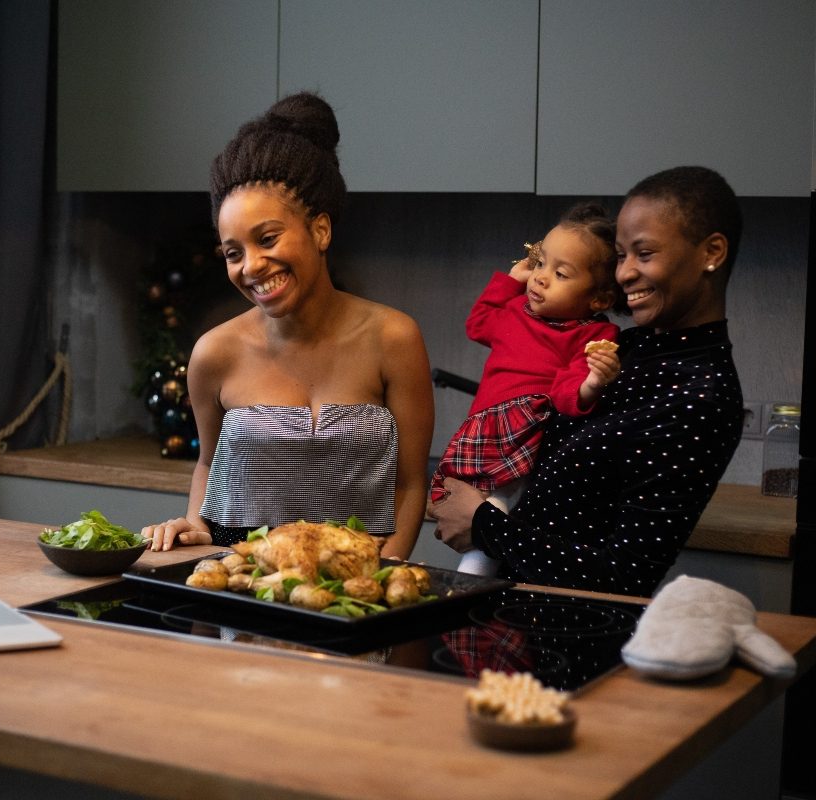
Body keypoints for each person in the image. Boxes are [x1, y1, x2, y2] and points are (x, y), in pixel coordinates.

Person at [428, 165, 744, 597]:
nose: (624, 274)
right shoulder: (624, 346)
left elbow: (623, 577)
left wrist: (483, 524)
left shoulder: (699, 395)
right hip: (514, 624)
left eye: (644, 254)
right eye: (620, 255)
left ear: (712, 251)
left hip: (573, 645)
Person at [142, 92, 434, 559]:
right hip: (243, 580)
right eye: (233, 253)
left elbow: (410, 483)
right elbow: (207, 466)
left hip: (358, 585)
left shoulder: (393, 338)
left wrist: (382, 577)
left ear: (320, 230)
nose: (251, 266)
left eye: (268, 238)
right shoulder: (214, 353)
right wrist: (193, 524)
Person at [429, 203, 624, 575]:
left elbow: (568, 394)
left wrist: (593, 382)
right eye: (540, 263)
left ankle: (470, 582)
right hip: (485, 431)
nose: (541, 277)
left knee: (498, 505)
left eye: (560, 273)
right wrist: (510, 279)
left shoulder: (595, 334)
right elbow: (478, 324)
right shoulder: (517, 309)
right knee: (464, 497)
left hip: (528, 437)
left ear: (599, 300)